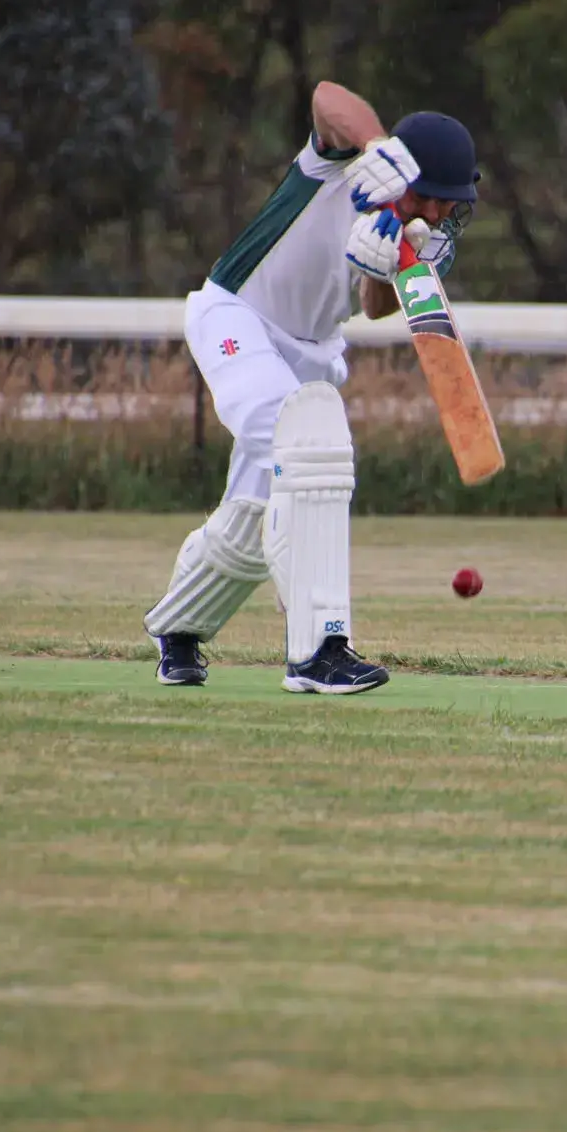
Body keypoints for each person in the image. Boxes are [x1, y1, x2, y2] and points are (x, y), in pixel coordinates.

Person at [142, 82, 478, 692]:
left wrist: (383, 267)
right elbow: (327, 97)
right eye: (430, 198)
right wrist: (377, 146)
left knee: (255, 510)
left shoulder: (424, 236)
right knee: (310, 457)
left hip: (313, 351)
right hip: (238, 315)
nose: (438, 215)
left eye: (449, 206)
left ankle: (179, 629)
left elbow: (375, 306)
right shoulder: (342, 160)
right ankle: (319, 648)